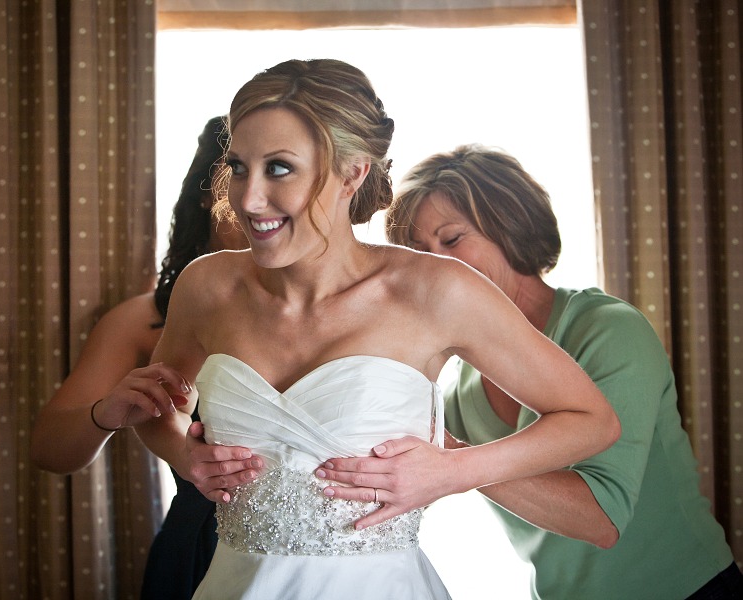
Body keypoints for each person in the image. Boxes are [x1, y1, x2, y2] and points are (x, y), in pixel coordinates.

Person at [133, 59, 620, 599]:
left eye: (279, 169)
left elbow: (591, 420)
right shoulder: (206, 288)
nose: (248, 200)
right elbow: (159, 407)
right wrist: (186, 456)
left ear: (352, 173)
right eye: (240, 167)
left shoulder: (436, 291)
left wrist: (457, 470)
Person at [319, 144, 742, 599]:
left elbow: (600, 521)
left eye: (452, 239)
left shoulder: (608, 330)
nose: (435, 265)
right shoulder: (460, 385)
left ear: (510, 229)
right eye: (419, 251)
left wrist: (453, 461)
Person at [29, 116, 247, 599]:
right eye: (241, 174)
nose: (259, 200)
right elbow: (47, 449)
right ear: (206, 193)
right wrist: (103, 415)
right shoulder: (142, 322)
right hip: (200, 552)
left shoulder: (333, 314)